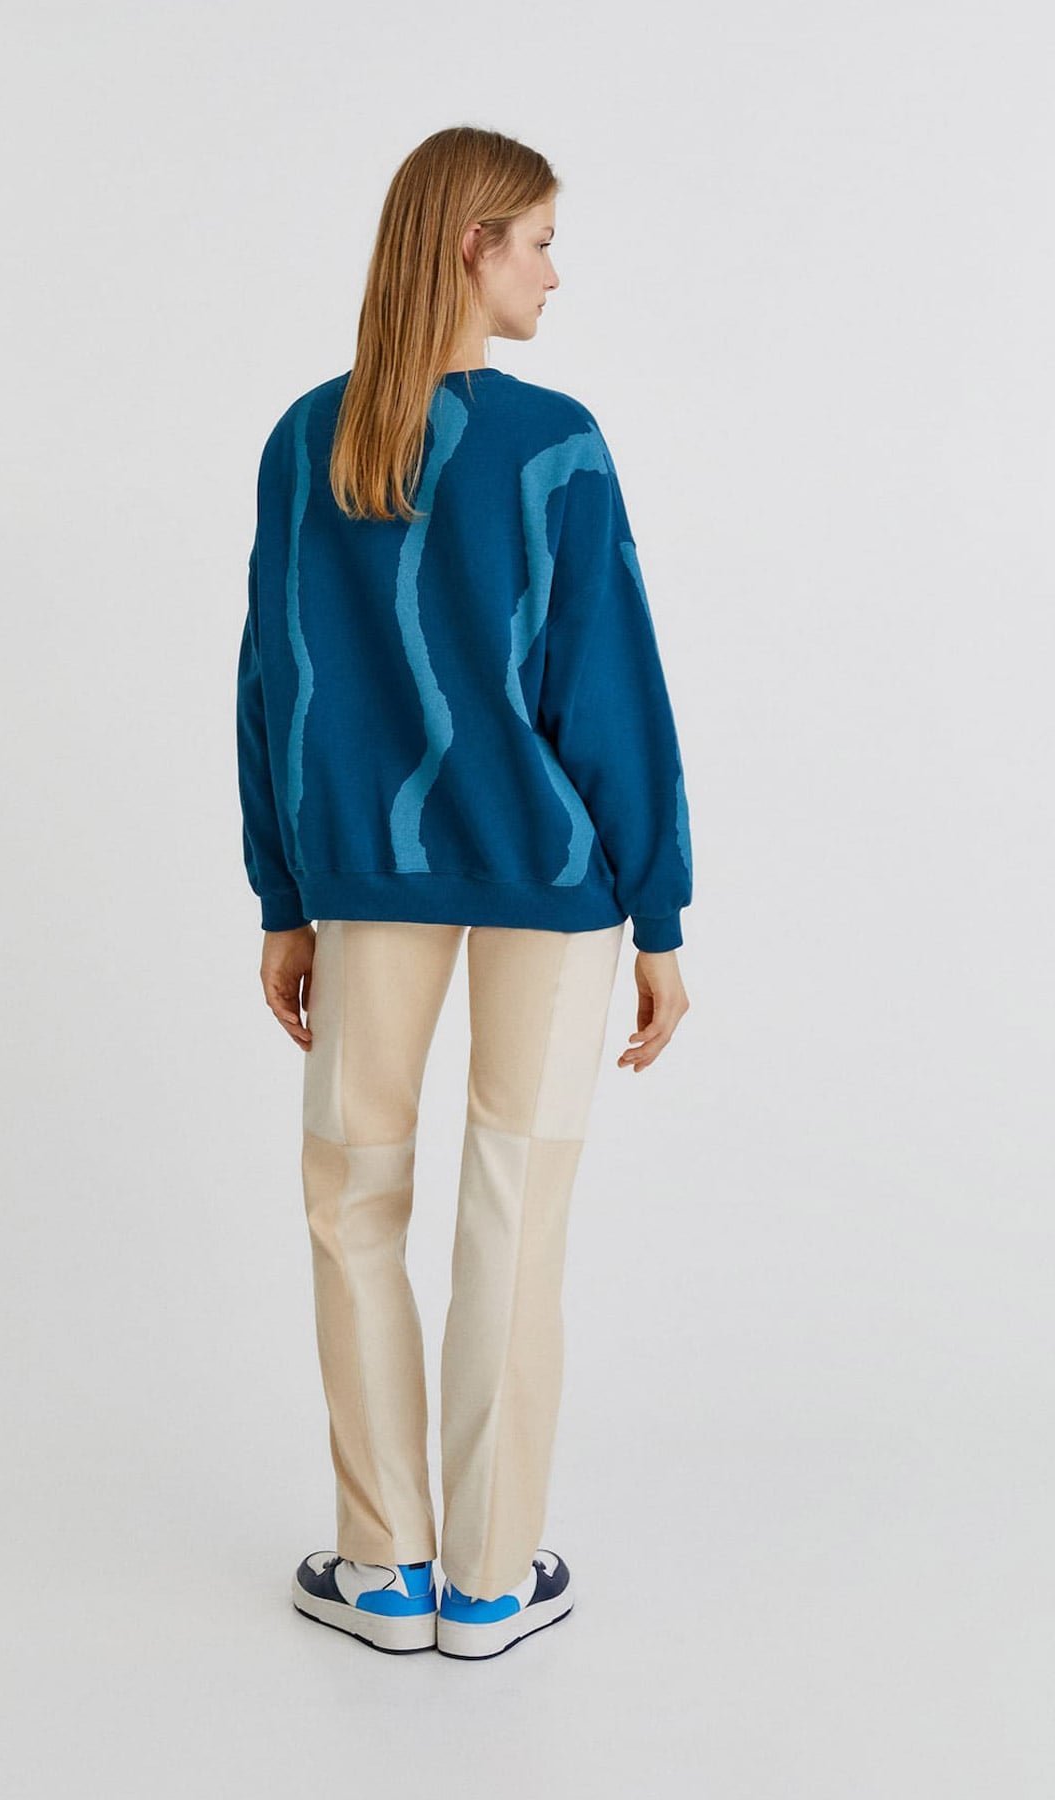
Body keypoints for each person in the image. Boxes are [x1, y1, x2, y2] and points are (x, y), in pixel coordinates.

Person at [235, 125, 693, 1660]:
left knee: (351, 1203)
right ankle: (492, 1581)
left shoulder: (308, 439)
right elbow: (608, 685)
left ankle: (385, 1573)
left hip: (371, 881)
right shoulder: (555, 442)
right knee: (515, 1203)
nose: (555, 274)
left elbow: (275, 683)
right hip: (556, 884)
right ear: (469, 246)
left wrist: (284, 894)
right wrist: (661, 913)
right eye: (539, 242)